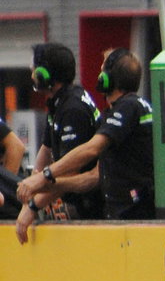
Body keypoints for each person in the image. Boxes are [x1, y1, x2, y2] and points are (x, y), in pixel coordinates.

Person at [16, 49, 153, 244]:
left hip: (133, 217)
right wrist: (38, 189)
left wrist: (44, 178)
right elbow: (93, 177)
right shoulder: (124, 109)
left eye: (102, 70)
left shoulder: (127, 108)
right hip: (122, 217)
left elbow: (91, 149)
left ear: (107, 79)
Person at [28, 42, 103, 220]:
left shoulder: (72, 109)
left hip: (88, 207)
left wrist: (32, 206)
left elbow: (70, 172)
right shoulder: (59, 103)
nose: (32, 74)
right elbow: (46, 149)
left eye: (35, 70)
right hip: (76, 202)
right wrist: (31, 186)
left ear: (44, 75)